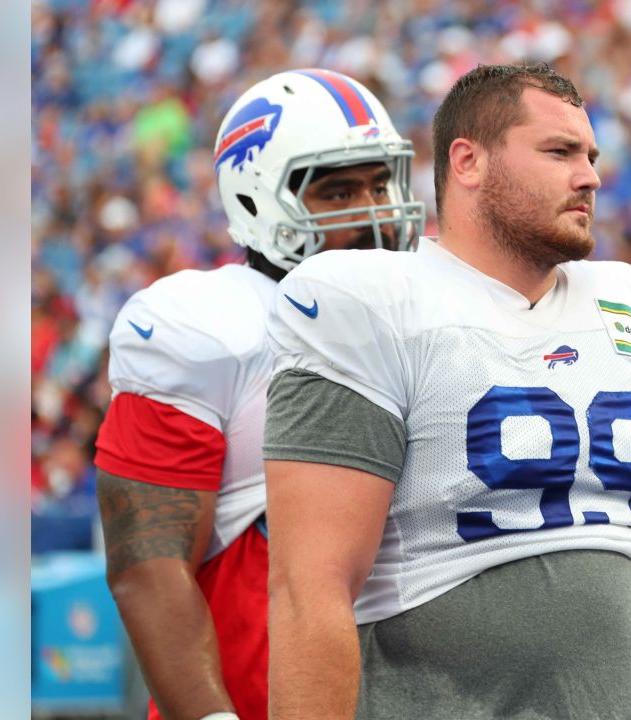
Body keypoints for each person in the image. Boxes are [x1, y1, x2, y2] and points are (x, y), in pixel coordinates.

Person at [263, 63, 631, 719]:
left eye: (590, 155)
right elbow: (312, 588)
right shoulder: (367, 301)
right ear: (468, 162)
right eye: (559, 152)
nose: (589, 175)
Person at [93, 68, 424, 720]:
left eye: (380, 182)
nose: (376, 209)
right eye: (338, 191)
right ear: (257, 202)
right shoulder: (206, 331)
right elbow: (147, 565)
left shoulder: (434, 310)